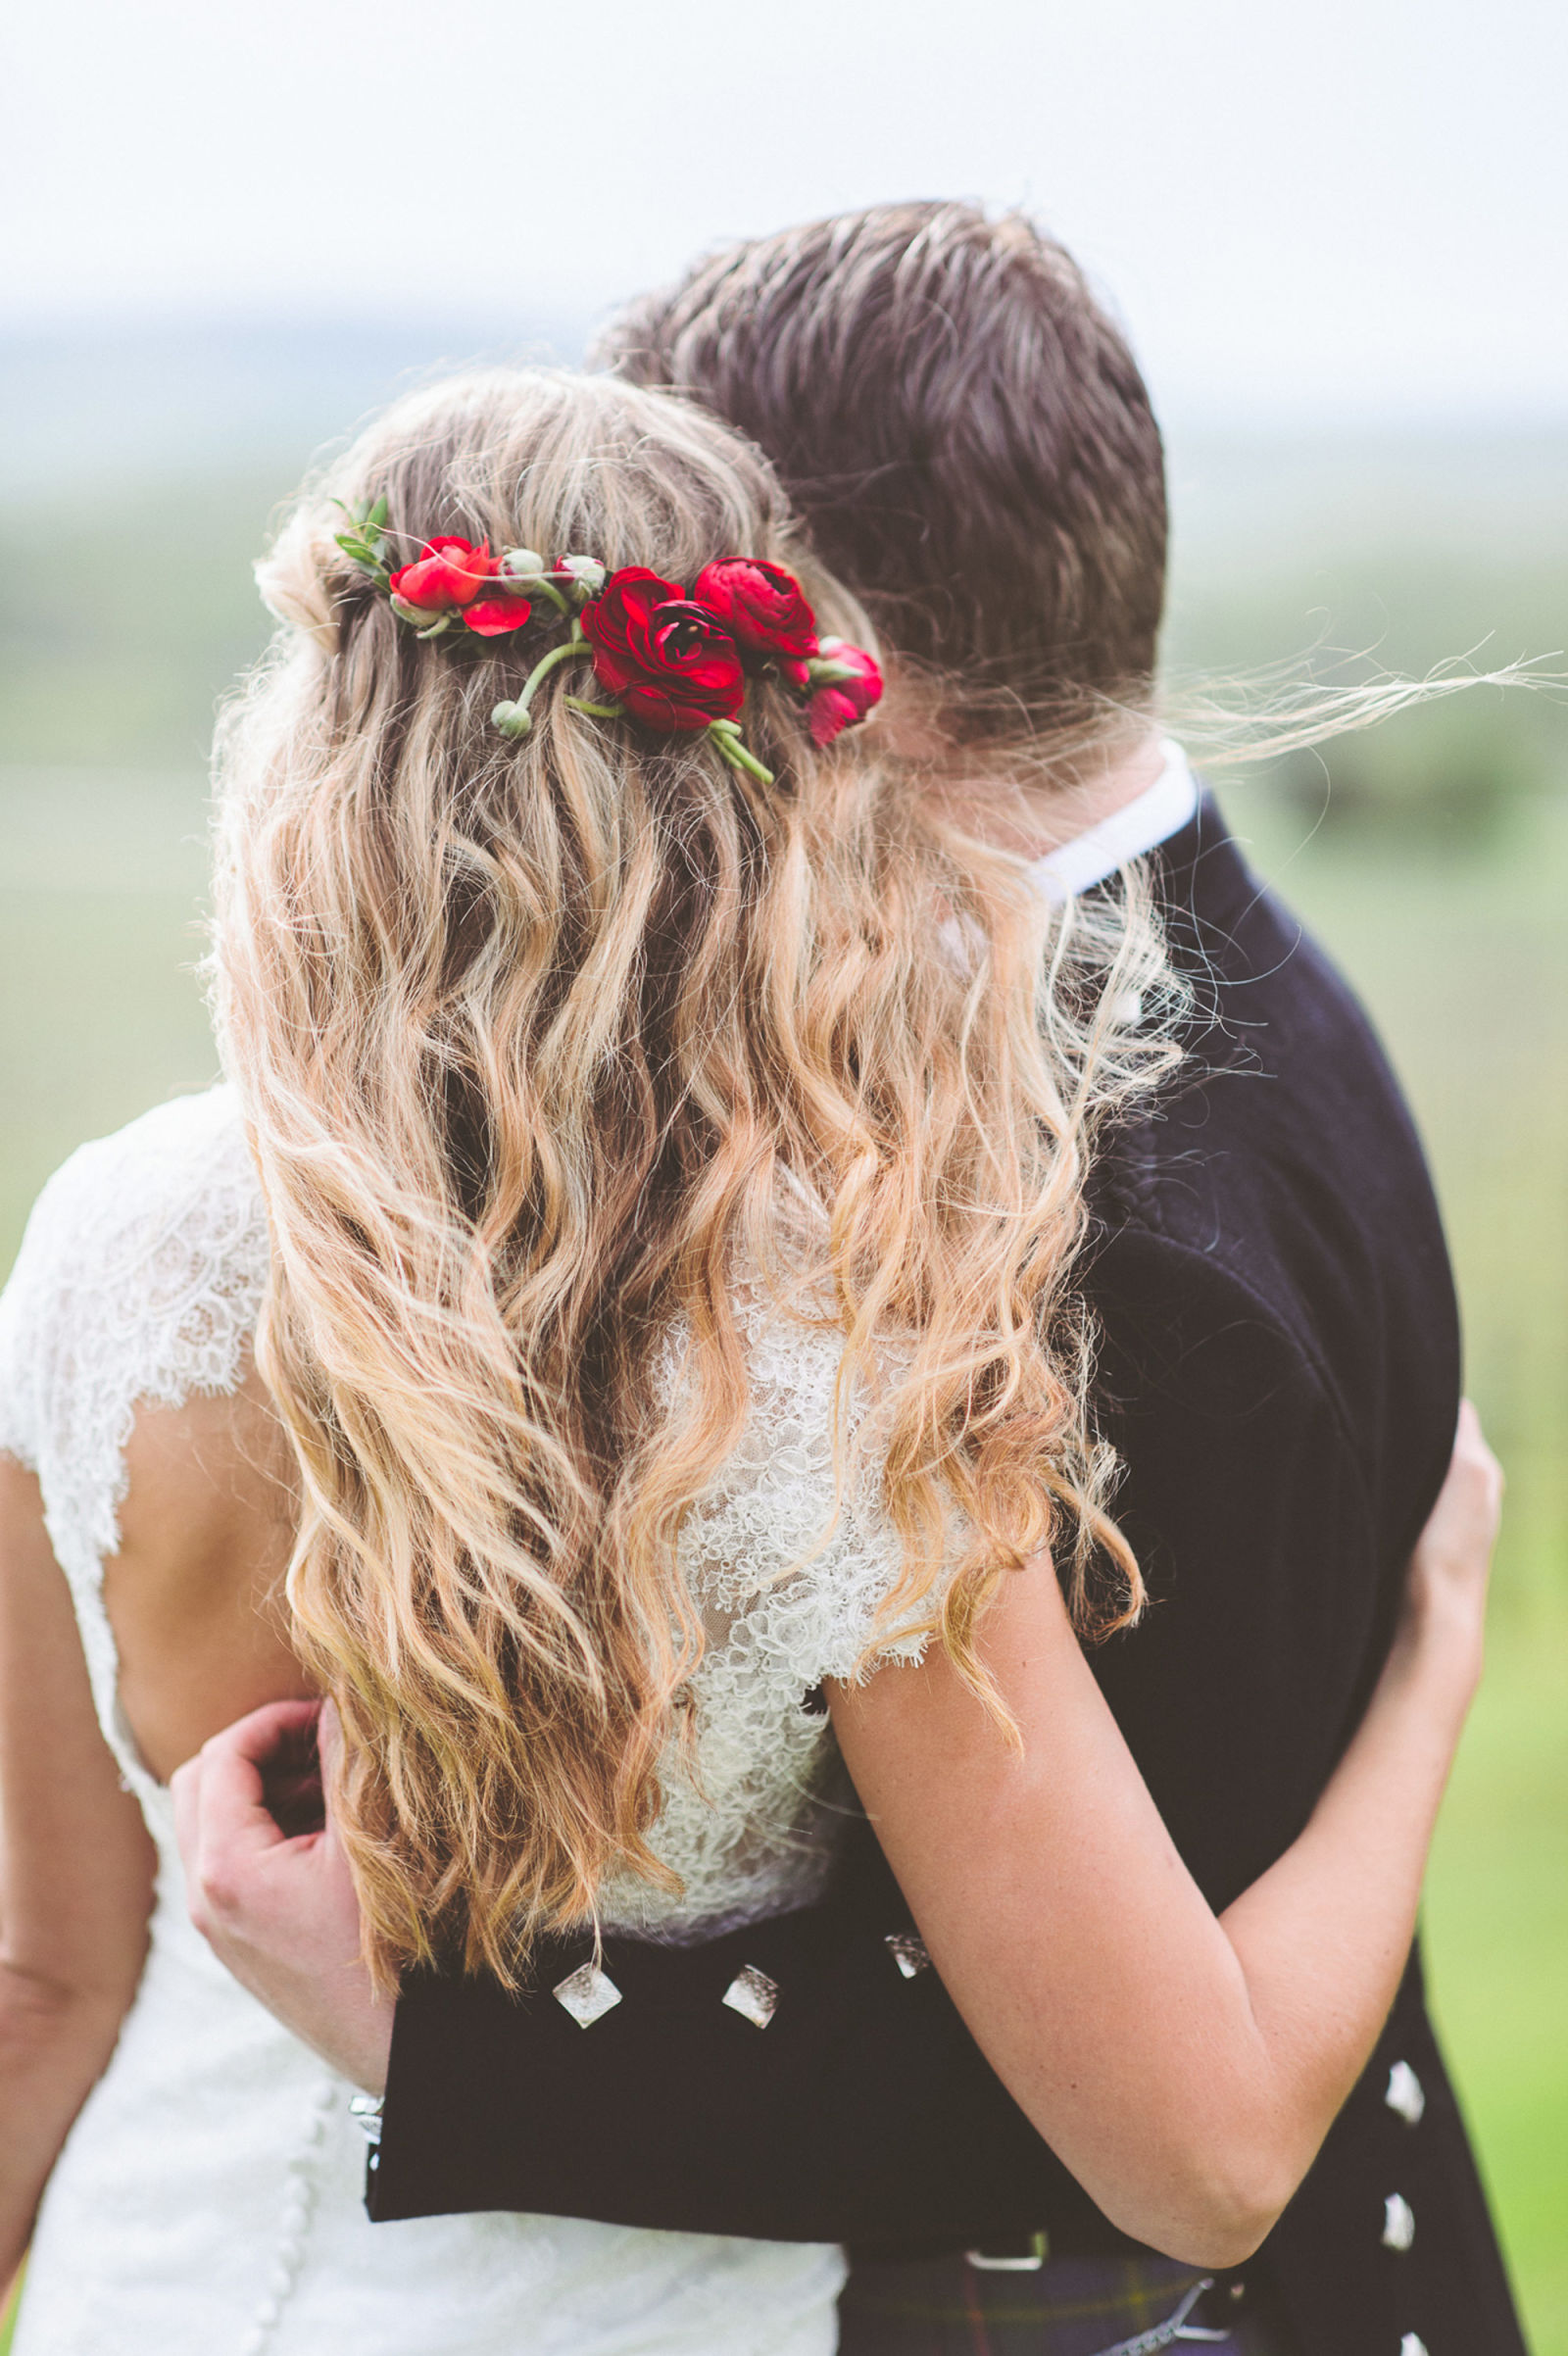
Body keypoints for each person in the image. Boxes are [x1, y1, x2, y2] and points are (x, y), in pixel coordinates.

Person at [172, 208, 1528, 2356]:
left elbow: (1098, 2083)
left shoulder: (1070, 1222)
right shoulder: (1244, 967)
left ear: (805, 638)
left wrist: (466, 2049)